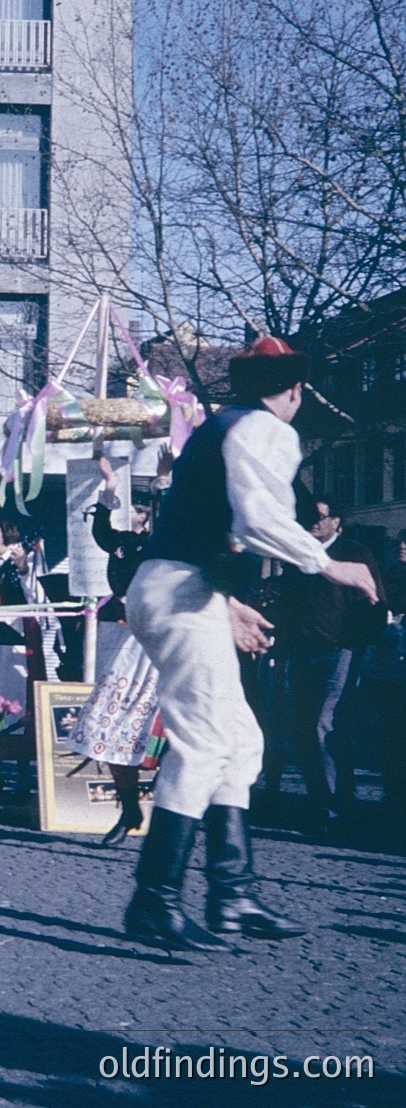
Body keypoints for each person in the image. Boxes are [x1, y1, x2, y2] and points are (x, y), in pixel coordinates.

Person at [122, 336, 378, 952]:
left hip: (184, 589)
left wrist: (229, 601)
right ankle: (155, 901)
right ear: (293, 390)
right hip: (183, 592)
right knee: (204, 742)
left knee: (240, 741)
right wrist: (329, 564)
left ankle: (231, 894)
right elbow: (259, 516)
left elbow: (215, 524)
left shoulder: (222, 426)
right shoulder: (267, 429)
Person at [64, 451, 169, 847]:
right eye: (138, 508)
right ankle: (129, 808)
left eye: (147, 509)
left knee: (179, 730)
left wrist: (162, 480)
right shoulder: (125, 544)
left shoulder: (167, 546)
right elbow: (101, 533)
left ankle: (179, 812)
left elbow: (170, 514)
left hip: (168, 643)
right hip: (130, 644)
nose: (142, 514)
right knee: (102, 725)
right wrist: (109, 488)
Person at [263, 500, 383, 833]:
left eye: (319, 517)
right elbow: (288, 605)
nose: (312, 523)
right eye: (308, 517)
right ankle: (324, 800)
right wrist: (281, 649)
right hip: (301, 653)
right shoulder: (299, 555)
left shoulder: (355, 553)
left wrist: (357, 647)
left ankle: (332, 809)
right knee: (302, 728)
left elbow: (373, 602)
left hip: (339, 652)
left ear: (336, 521)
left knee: (323, 724)